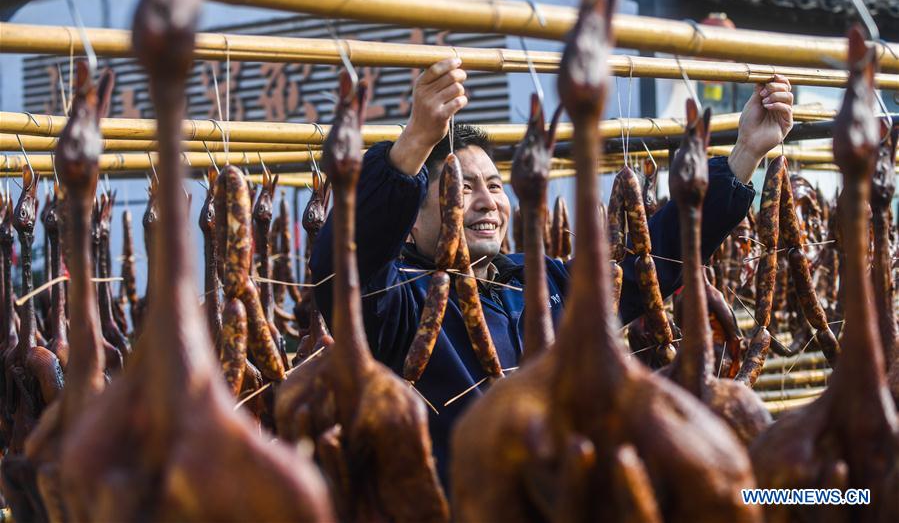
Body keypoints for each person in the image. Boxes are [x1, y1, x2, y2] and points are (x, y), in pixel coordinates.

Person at [311, 58, 794, 483]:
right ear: (413, 215)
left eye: (496, 186)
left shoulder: (543, 280)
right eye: (463, 187)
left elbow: (653, 262)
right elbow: (343, 266)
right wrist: (416, 140)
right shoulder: (394, 303)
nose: (487, 202)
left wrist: (746, 154)